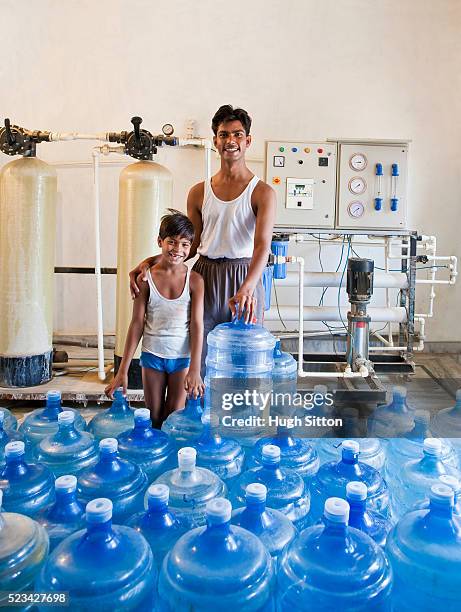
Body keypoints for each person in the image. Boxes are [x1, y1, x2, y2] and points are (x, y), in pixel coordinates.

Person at [130, 104, 276, 373]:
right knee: (201, 354)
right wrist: (150, 262)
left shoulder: (263, 192)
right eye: (223, 135)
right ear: (215, 141)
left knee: (243, 360)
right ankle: (201, 412)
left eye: (237, 134)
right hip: (204, 276)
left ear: (248, 141)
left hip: (244, 276)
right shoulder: (198, 192)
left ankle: (240, 414)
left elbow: (262, 246)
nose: (230, 141)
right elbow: (190, 246)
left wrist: (247, 288)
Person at [105, 210, 204, 427]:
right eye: (172, 242)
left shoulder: (195, 281)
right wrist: (122, 370)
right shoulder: (145, 279)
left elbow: (197, 326)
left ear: (191, 247)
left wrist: (195, 368)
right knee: (154, 416)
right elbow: (136, 323)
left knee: (174, 417)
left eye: (185, 244)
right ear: (160, 241)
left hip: (181, 359)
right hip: (152, 356)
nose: (178, 249)